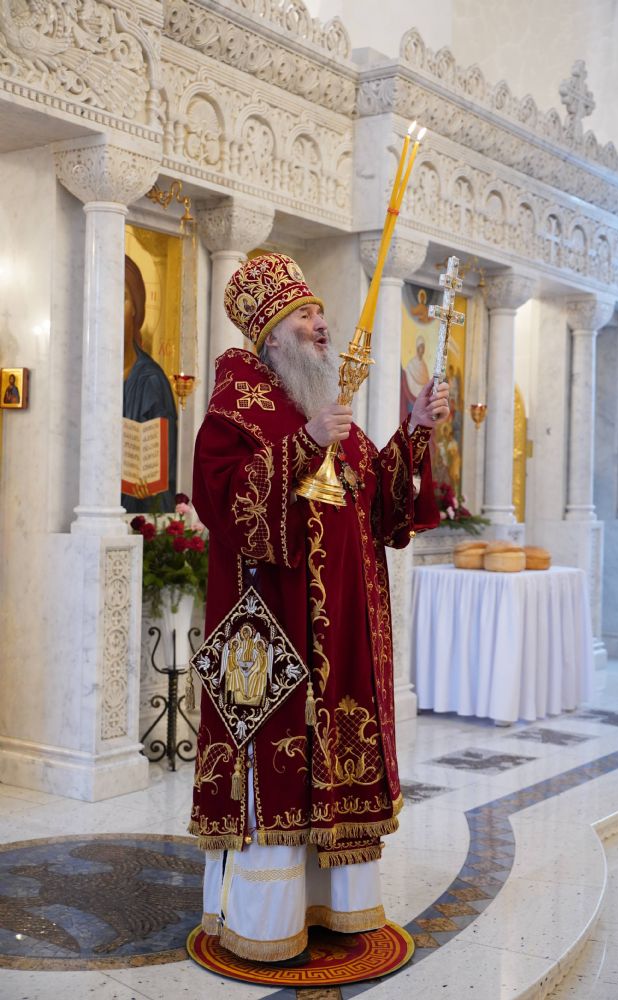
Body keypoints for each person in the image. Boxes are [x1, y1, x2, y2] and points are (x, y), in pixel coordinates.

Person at [189, 252, 450, 963]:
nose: (322, 325)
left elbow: (380, 502)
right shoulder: (237, 408)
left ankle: (336, 904)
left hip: (344, 632)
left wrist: (415, 429)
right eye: (305, 315)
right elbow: (222, 502)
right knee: (279, 764)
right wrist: (302, 447)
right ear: (271, 333)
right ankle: (265, 920)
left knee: (339, 754)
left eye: (320, 313)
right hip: (275, 628)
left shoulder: (321, 404)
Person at [122, 255, 178, 513]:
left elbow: (163, 461)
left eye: (122, 298)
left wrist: (150, 483)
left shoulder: (151, 380)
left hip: (135, 508)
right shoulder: (83, 376)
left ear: (135, 307)